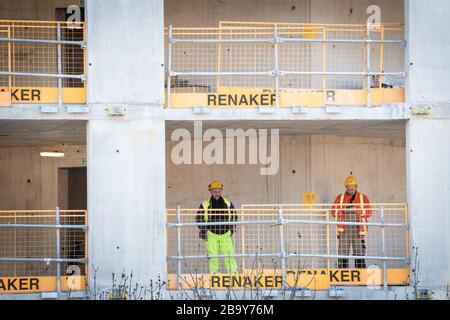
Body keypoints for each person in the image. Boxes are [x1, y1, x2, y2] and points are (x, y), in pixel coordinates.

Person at [196, 180, 238, 274]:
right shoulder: (205, 205)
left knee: (229, 256)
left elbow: (235, 216)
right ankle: (215, 277)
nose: (217, 194)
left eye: (219, 191)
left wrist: (231, 230)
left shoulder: (228, 203)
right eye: (215, 191)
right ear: (211, 192)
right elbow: (198, 218)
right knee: (213, 257)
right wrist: (205, 231)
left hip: (225, 234)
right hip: (211, 235)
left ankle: (233, 276)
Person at [332, 176, 372, 269]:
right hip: (344, 230)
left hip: (358, 230)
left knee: (359, 253)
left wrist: (356, 210)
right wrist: (343, 210)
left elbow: (369, 212)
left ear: (356, 186)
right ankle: (342, 275)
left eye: (352, 189)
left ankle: (361, 277)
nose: (350, 191)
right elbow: (333, 212)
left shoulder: (363, 197)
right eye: (348, 189)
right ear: (345, 187)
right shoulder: (340, 198)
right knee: (343, 253)